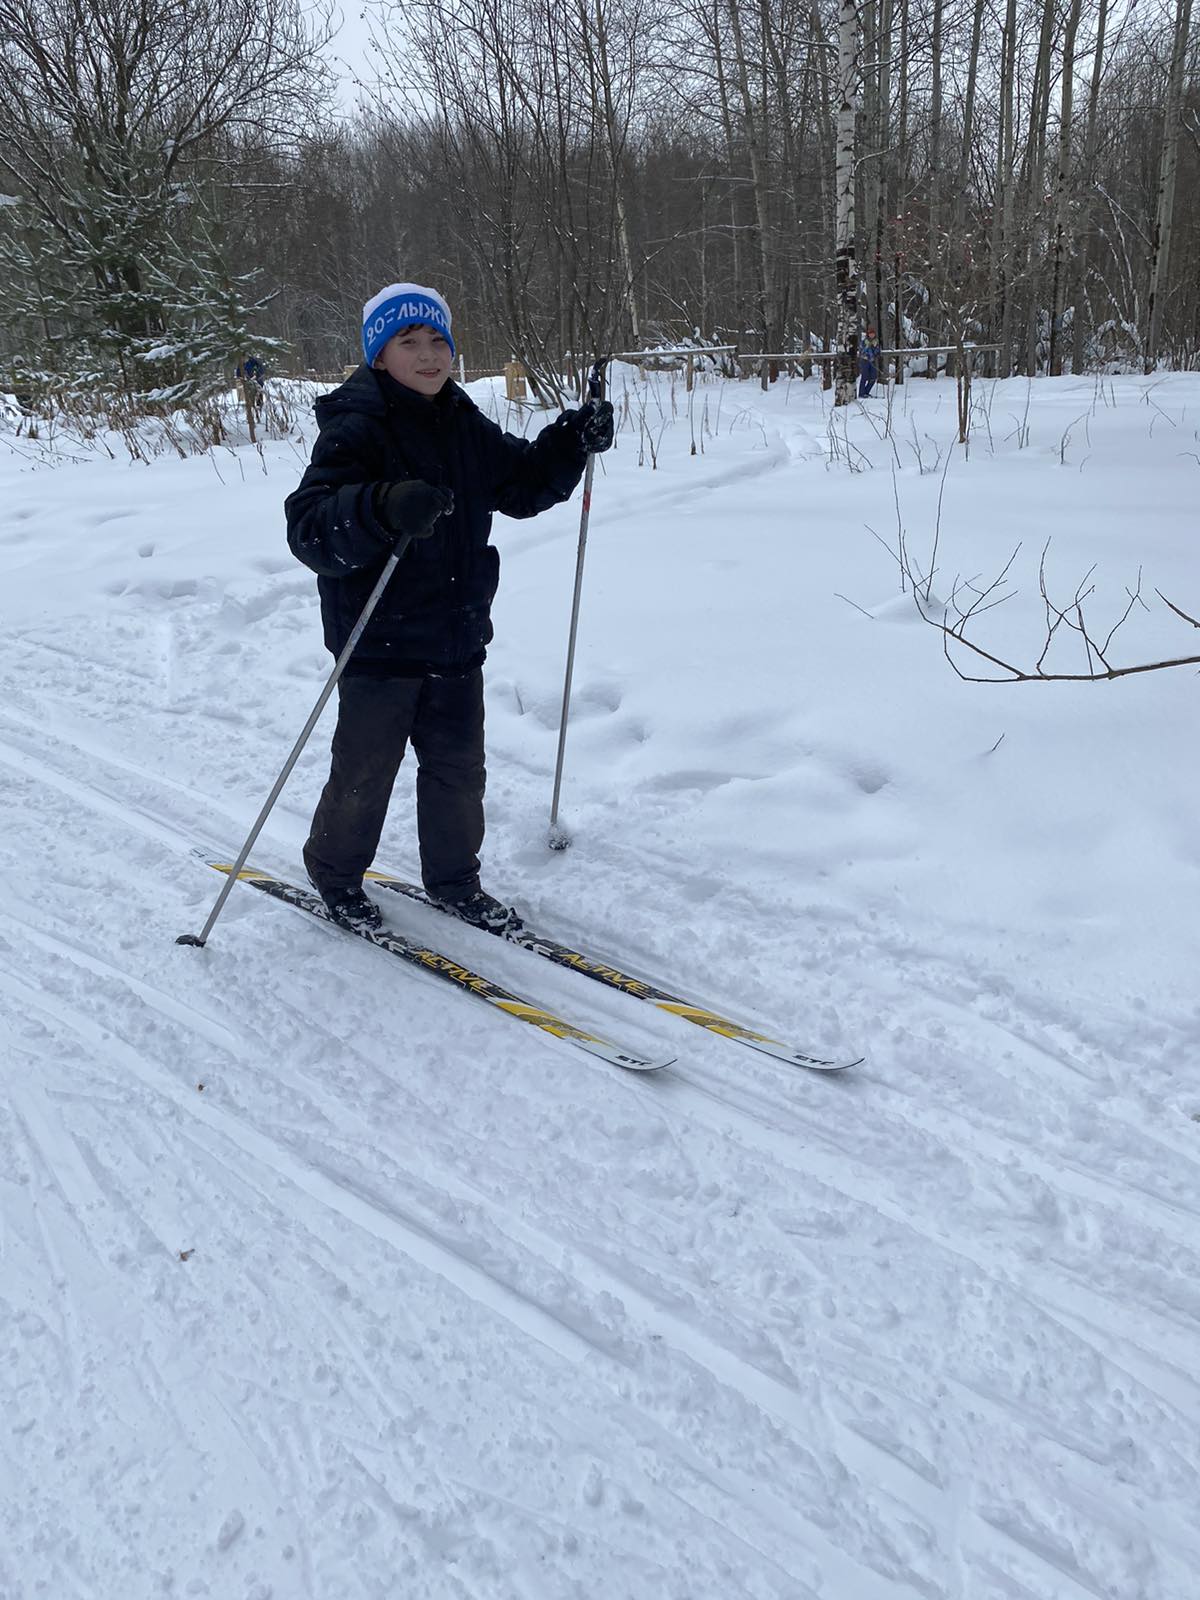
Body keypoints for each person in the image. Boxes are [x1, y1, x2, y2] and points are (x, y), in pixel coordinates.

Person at [285, 281, 614, 933]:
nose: (429, 355)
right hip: (377, 643)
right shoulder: (356, 426)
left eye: (438, 341)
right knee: (365, 773)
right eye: (410, 342)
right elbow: (310, 529)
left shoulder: (461, 420)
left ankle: (455, 882)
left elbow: (519, 484)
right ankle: (335, 872)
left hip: (455, 637)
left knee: (460, 772)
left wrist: (572, 440)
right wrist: (382, 506)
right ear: (380, 356)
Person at [858, 326, 881, 398]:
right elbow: (861, 351)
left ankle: (866, 391)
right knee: (864, 377)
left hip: (873, 361)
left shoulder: (876, 342)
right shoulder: (864, 342)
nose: (871, 335)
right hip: (865, 361)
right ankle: (861, 393)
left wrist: (875, 350)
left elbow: (878, 351)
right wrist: (867, 349)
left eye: (873, 333)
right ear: (868, 334)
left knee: (873, 377)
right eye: (870, 333)